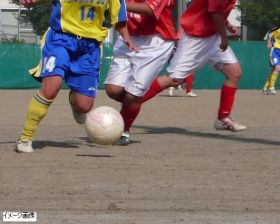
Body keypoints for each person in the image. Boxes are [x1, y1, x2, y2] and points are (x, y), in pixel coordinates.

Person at [111, 0, 247, 145]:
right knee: (173, 79)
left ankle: (223, 118)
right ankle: (129, 106)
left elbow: (217, 10)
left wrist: (226, 25)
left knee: (234, 73)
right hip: (197, 35)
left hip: (212, 35)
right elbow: (214, 11)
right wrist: (224, 35)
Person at [16, 0, 138, 153]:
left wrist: (126, 36)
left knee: (84, 106)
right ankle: (26, 137)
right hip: (60, 39)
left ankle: (74, 100)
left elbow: (118, 16)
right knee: (51, 88)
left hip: (90, 48)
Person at [104, 0, 177, 145]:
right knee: (112, 90)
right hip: (128, 36)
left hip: (156, 42)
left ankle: (124, 130)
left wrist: (115, 3)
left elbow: (148, 9)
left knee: (132, 96)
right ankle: (131, 105)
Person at [262, 26, 280, 95]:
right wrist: (268, 42)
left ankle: (265, 87)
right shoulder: (277, 28)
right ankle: (271, 87)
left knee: (274, 70)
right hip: (275, 50)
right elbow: (269, 33)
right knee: (277, 68)